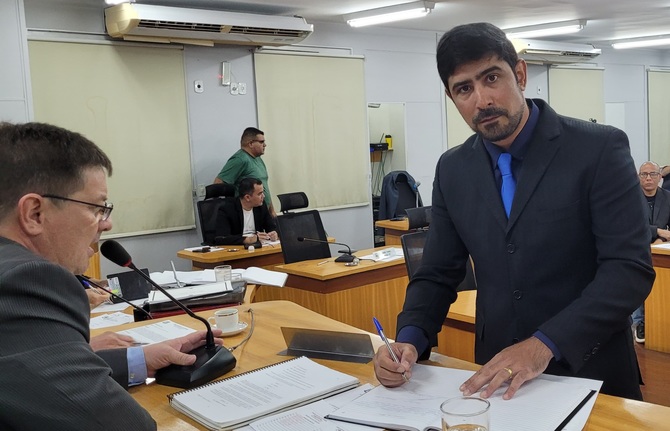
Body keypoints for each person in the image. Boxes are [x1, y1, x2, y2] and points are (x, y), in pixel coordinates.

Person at [373, 22, 654, 401]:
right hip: (497, 378)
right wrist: (409, 338)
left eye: (492, 78)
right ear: (451, 97)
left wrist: (543, 344)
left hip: (592, 370)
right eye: (464, 89)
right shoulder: (454, 169)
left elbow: (628, 270)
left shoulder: (598, 149)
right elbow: (437, 273)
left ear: (520, 74)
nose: (482, 100)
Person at [0, 122, 223, 430]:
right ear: (34, 213)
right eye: (97, 208)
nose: (107, 224)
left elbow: (28, 374)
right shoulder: (27, 281)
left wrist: (141, 359)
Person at [631, 161, 670, 343]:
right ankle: (639, 322)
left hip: (659, 248)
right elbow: (633, 227)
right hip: (635, 248)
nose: (648, 178)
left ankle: (660, 321)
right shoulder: (630, 198)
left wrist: (662, 240)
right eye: (644, 174)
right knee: (637, 278)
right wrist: (659, 232)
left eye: (653, 174)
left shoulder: (667, 197)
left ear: (660, 177)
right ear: (638, 177)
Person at [214, 127, 276, 217]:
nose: (265, 145)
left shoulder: (258, 159)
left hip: (263, 212)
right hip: (248, 214)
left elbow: (264, 187)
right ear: (251, 143)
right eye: (261, 142)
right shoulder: (240, 159)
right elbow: (218, 183)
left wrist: (272, 211)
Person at [214, 177, 278, 246]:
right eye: (259, 194)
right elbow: (222, 238)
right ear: (247, 197)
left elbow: (271, 227)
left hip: (258, 247)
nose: (263, 196)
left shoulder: (261, 206)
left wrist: (274, 233)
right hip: (237, 248)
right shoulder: (227, 209)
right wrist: (247, 240)